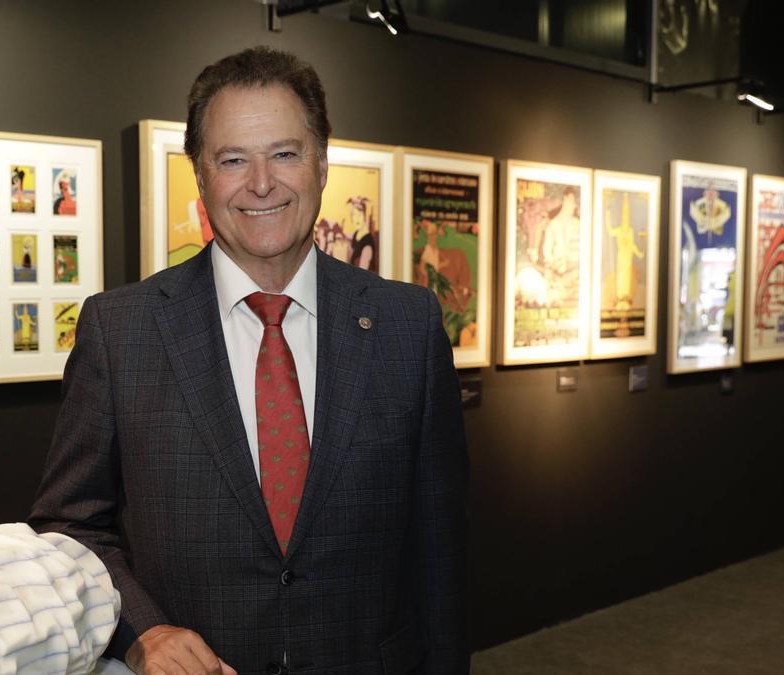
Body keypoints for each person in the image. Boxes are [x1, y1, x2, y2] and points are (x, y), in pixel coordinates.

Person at [29, 46, 469, 675]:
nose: (261, 183)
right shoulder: (121, 330)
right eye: (233, 159)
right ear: (200, 175)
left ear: (322, 163)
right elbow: (68, 526)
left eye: (285, 154)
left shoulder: (409, 325)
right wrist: (142, 632)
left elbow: (440, 545)